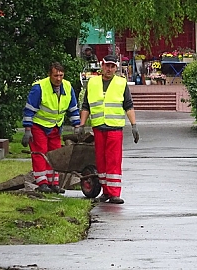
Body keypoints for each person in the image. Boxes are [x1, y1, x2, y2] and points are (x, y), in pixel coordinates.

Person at [79, 54, 139, 204]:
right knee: (101, 161)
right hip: (99, 127)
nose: (109, 69)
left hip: (114, 128)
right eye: (107, 66)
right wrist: (81, 125)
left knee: (113, 160)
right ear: (102, 66)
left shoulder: (121, 83)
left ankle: (114, 193)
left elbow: (128, 105)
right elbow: (86, 105)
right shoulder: (92, 83)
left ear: (116, 68)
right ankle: (105, 192)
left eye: (112, 67)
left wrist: (134, 126)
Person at [22, 62, 83, 193]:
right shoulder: (39, 88)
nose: (59, 79)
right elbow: (29, 110)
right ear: (50, 75)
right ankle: (42, 182)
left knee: (55, 155)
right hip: (39, 126)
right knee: (40, 153)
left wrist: (76, 125)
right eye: (56, 75)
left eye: (61, 75)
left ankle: (54, 183)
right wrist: (27, 129)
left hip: (56, 126)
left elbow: (73, 108)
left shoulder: (67, 87)